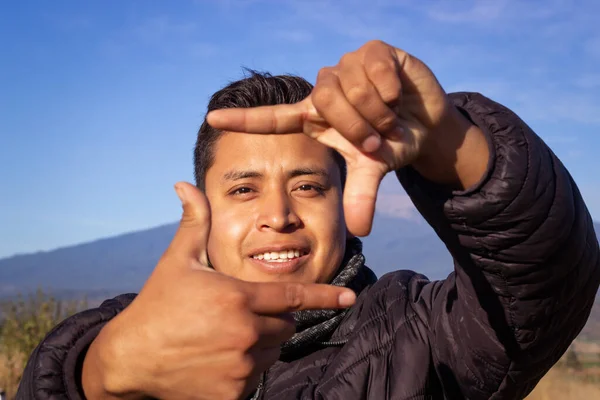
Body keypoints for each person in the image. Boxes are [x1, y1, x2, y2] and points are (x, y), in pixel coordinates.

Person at [17, 40, 600, 400]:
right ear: (200, 207)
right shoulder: (118, 331)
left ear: (343, 201)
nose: (278, 215)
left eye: (307, 186)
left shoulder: (418, 335)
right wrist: (103, 377)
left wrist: (445, 137)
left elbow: (543, 274)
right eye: (244, 189)